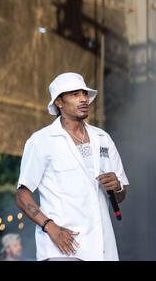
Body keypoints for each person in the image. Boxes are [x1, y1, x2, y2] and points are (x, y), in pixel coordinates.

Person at [16, 72, 129, 261]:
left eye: (84, 94)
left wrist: (116, 186)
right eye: (75, 95)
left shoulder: (103, 138)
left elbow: (122, 193)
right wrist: (51, 228)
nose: (83, 99)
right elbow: (22, 195)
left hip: (102, 247)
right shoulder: (41, 141)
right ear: (59, 102)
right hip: (63, 247)